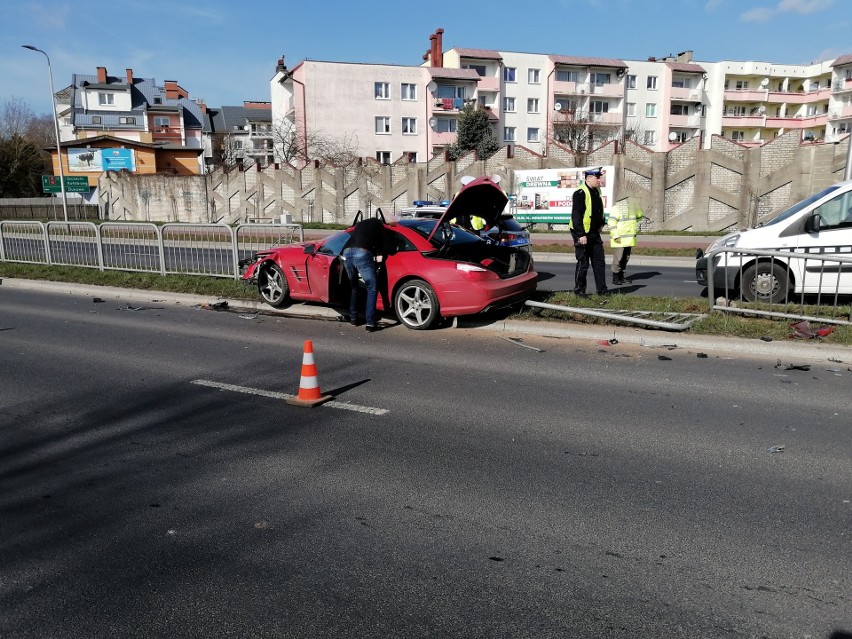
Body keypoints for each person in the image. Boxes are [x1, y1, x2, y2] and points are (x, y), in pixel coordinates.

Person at [342, 216, 391, 332]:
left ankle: (353, 318)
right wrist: (382, 253)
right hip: (362, 252)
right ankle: (370, 323)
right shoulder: (379, 225)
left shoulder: (359, 225)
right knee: (372, 288)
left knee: (354, 287)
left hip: (347, 252)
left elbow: (353, 238)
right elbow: (385, 244)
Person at [570, 168, 609, 296]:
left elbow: (598, 211)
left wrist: (602, 223)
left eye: (599, 177)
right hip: (581, 233)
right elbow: (576, 216)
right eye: (597, 177)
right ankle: (579, 291)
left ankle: (602, 291)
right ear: (588, 178)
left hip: (594, 233)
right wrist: (581, 234)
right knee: (583, 262)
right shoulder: (580, 193)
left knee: (599, 262)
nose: (599, 180)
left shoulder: (597, 191)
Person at [609, 203, 644, 285]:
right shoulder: (617, 208)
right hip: (619, 239)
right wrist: (615, 235)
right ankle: (615, 277)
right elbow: (611, 222)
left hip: (629, 239)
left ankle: (621, 277)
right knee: (618, 258)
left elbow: (639, 217)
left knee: (625, 258)